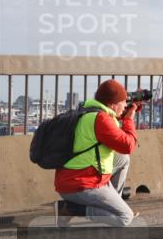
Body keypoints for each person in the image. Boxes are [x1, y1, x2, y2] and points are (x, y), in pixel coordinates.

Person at [54, 79, 141, 227]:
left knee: (122, 159)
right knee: (125, 218)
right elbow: (128, 145)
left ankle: (113, 204)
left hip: (70, 178)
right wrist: (128, 120)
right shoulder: (101, 120)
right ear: (113, 104)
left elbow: (112, 122)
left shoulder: (87, 111)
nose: (126, 105)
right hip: (82, 184)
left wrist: (131, 110)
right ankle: (68, 209)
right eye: (123, 102)